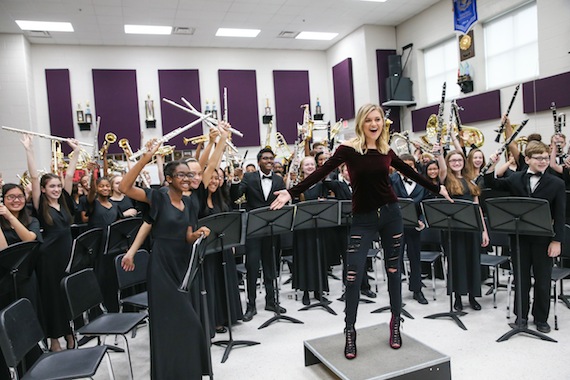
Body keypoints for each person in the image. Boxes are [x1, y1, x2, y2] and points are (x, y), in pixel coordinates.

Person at [271, 104, 451, 358]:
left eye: (378, 119)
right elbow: (322, 172)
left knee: (393, 272)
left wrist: (437, 188)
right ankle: (350, 330)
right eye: (369, 120)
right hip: (363, 219)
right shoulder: (348, 150)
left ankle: (395, 323)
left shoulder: (386, 150)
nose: (374, 124)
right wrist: (291, 191)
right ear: (361, 124)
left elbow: (410, 172)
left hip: (391, 216)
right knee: (352, 276)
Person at [119, 139, 211, 379]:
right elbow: (125, 188)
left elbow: (188, 236)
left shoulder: (190, 202)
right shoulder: (157, 197)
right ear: (169, 179)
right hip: (161, 266)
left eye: (188, 175)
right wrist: (145, 159)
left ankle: (185, 371)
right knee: (186, 322)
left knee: (180, 323)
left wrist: (199, 233)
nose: (186, 178)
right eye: (180, 175)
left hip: (182, 265)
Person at [485, 141, 565, 333]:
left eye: (546, 158)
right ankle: (520, 317)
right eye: (538, 158)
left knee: (542, 280)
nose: (543, 161)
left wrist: (557, 241)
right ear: (527, 159)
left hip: (544, 239)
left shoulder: (557, 183)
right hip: (519, 238)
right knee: (521, 279)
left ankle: (541, 319)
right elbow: (491, 183)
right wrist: (492, 165)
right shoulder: (515, 179)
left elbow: (560, 215)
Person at [23, 134, 80, 352]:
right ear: (45, 190)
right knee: (52, 299)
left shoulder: (64, 202)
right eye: (52, 186)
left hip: (67, 256)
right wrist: (29, 151)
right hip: (47, 259)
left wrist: (74, 152)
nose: (56, 189)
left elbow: (70, 175)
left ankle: (70, 333)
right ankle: (54, 339)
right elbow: (35, 178)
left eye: (58, 185)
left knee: (67, 296)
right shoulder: (40, 205)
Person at [230, 147, 287, 322]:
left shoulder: (278, 180)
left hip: (272, 230)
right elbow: (235, 196)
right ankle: (251, 304)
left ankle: (271, 300)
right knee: (252, 268)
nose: (270, 161)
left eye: (272, 158)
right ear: (259, 161)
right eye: (266, 158)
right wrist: (235, 181)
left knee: (271, 267)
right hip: (253, 231)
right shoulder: (249, 177)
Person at [440, 150, 489, 311]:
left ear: (464, 162)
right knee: (456, 263)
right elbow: (441, 170)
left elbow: (478, 208)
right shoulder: (446, 180)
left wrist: (484, 231)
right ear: (448, 162)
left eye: (459, 160)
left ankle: (473, 296)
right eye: (453, 160)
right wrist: (439, 154)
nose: (456, 163)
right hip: (454, 229)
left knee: (472, 262)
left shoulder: (470, 181)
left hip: (472, 228)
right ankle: (458, 297)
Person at [390, 154, 429, 305]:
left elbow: (426, 204)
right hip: (395, 227)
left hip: (414, 227)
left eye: (410, 165)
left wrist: (422, 221)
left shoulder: (422, 182)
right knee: (395, 260)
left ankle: (417, 290)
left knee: (415, 258)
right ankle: (395, 293)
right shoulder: (392, 180)